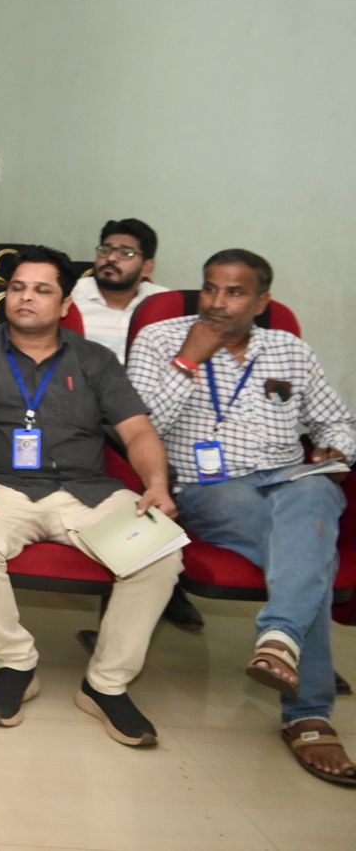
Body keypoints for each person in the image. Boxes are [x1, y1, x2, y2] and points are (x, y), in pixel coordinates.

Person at [127, 249, 356, 785]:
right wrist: (188, 362)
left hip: (289, 480)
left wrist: (335, 451)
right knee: (311, 556)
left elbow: (337, 422)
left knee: (315, 498)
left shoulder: (290, 351)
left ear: (261, 301)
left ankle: (279, 643)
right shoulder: (161, 339)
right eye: (210, 288)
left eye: (234, 293)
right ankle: (308, 713)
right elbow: (134, 426)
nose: (217, 302)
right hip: (209, 487)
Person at [0, 246, 179, 746]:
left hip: (86, 491)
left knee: (158, 553)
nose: (26, 298)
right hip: (5, 485)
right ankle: (15, 665)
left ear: (66, 304)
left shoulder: (96, 360)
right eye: (17, 288)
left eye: (41, 290)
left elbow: (137, 431)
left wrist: (156, 483)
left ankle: (105, 685)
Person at [71, 218, 167, 364]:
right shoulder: (70, 296)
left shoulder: (162, 303)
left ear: (146, 267)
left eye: (126, 253)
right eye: (105, 250)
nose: (111, 258)